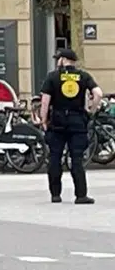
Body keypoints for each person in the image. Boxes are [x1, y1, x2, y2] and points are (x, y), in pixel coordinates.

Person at [39, 48, 101, 204]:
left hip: (58, 122)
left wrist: (43, 120)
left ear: (63, 60)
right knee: (77, 159)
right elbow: (98, 93)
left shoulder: (52, 77)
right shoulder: (83, 76)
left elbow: (45, 101)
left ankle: (55, 194)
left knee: (55, 158)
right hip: (78, 121)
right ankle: (81, 195)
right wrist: (90, 112)